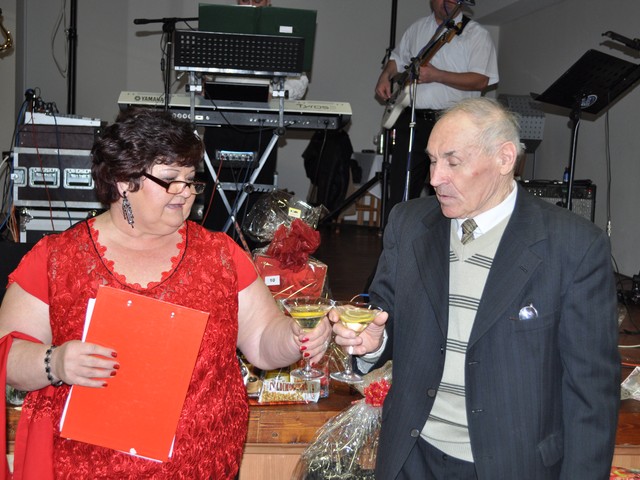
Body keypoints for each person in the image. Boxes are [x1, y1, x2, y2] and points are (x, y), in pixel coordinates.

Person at [0, 108, 331, 479]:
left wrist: (295, 336)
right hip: (86, 467)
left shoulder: (221, 255)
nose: (185, 193)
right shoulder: (56, 258)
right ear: (123, 181)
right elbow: (7, 355)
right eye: (171, 180)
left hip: (201, 466)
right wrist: (55, 362)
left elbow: (263, 340)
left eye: (190, 180)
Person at [331, 97, 620, 479]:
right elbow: (386, 315)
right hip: (411, 457)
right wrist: (373, 342)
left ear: (504, 159)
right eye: (432, 161)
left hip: (514, 466)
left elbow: (592, 396)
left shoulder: (574, 247)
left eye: (452, 162)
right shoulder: (409, 223)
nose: (435, 178)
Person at [375, 0, 498, 221]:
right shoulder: (417, 28)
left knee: (449, 188)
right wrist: (385, 75)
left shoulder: (476, 34)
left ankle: (443, 239)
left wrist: (437, 75)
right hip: (413, 119)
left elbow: (481, 80)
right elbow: (397, 59)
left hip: (454, 124)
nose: (446, 2)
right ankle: (398, 236)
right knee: (402, 186)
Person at [201, 0, 309, 236]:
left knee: (257, 191)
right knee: (217, 190)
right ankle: (214, 243)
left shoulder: (280, 32)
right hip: (221, 119)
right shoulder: (223, 27)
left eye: (256, 0)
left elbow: (299, 81)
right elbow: (202, 74)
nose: (250, 4)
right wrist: (202, 79)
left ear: (268, 2)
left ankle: (250, 245)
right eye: (245, 0)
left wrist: (274, 94)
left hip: (262, 123)